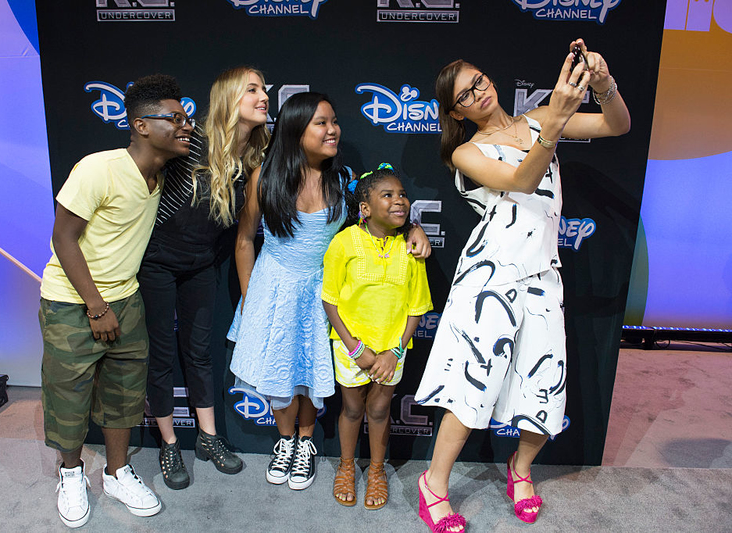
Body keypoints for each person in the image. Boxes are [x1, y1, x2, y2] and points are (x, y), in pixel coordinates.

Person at [414, 39, 630, 531]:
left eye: (480, 80)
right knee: (471, 388)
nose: (479, 91)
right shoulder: (466, 153)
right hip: (489, 277)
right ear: (456, 111)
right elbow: (522, 181)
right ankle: (435, 484)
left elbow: (617, 124)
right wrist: (551, 128)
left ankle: (521, 469)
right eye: (466, 94)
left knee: (545, 386)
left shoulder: (538, 119)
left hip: (542, 276)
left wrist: (603, 83)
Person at [229, 92, 431, 491]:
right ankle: (285, 442)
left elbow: (385, 208)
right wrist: (252, 299)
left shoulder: (343, 182)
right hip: (273, 289)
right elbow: (243, 241)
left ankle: (306, 442)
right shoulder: (263, 178)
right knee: (278, 374)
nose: (333, 129)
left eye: (334, 121)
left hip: (323, 293)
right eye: (321, 122)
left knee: (309, 372)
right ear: (295, 129)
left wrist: (413, 227)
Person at [39, 74, 194, 527]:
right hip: (74, 302)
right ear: (141, 125)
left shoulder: (164, 173)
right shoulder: (98, 168)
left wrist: (113, 306)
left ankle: (117, 472)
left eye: (187, 117)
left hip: (126, 301)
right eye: (175, 118)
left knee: (124, 395)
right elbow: (63, 238)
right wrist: (96, 306)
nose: (186, 126)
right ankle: (69, 473)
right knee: (69, 397)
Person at [138, 67, 269, 489]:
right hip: (155, 261)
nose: (263, 96)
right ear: (230, 98)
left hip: (200, 265)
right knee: (160, 355)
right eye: (252, 89)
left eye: (264, 89)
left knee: (200, 352)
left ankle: (209, 439)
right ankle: (170, 443)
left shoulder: (255, 157)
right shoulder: (192, 141)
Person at [322, 163, 433, 510]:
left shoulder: (411, 250)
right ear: (365, 209)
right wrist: (356, 349)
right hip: (351, 348)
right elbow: (330, 301)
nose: (399, 200)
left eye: (402, 194)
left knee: (380, 409)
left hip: (392, 351)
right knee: (352, 409)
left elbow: (417, 308)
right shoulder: (344, 243)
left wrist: (394, 352)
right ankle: (345, 466)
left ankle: (376, 471)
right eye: (388, 195)